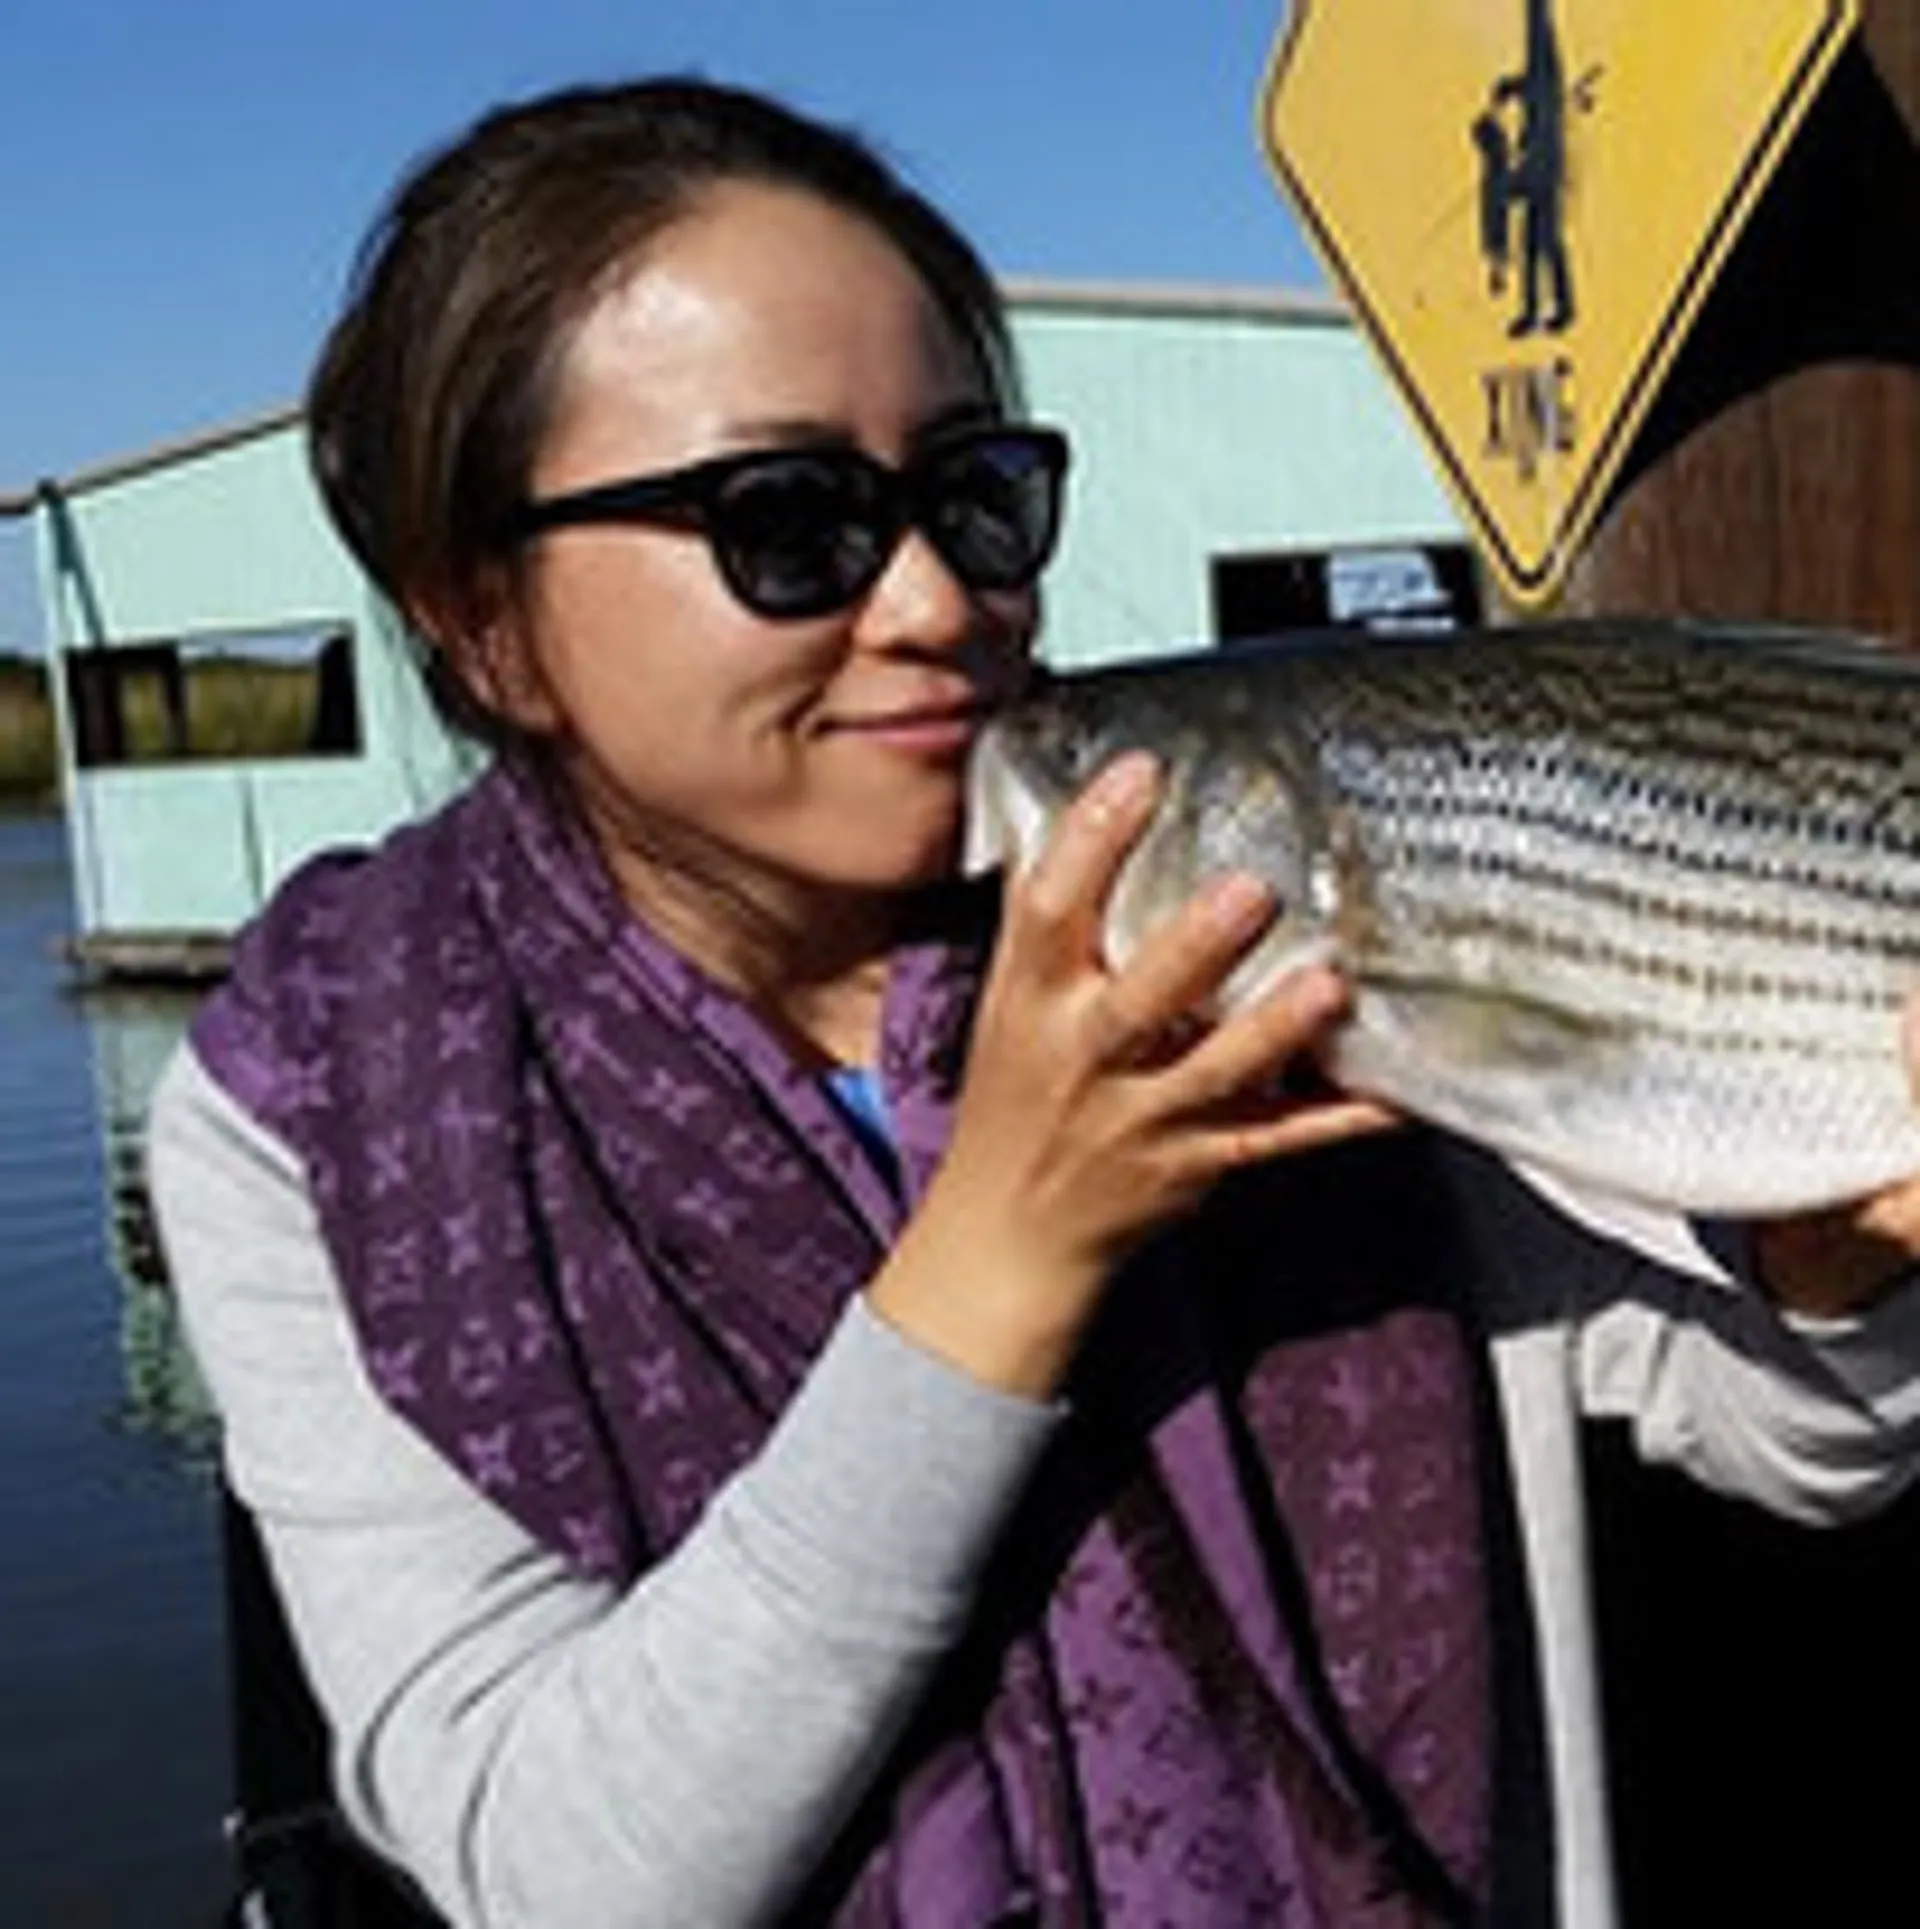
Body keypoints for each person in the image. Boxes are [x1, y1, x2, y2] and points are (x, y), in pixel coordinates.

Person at [148, 75, 1920, 1929]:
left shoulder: (1214, 920)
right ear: (481, 618)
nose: (935, 602)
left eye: (977, 495)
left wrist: (1842, 1262)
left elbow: (1777, 1435)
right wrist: (1002, 1252)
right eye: (788, 520)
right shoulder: (318, 1104)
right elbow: (564, 1875)